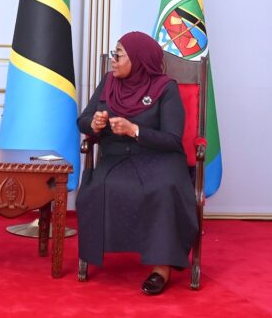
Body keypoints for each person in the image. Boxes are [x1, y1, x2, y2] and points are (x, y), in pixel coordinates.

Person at [75, 31, 198, 295]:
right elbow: (83, 120)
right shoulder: (108, 82)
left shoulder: (166, 88)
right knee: (96, 189)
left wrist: (134, 130)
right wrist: (93, 124)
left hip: (160, 159)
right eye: (113, 54)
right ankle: (94, 254)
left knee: (163, 190)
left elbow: (173, 140)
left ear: (139, 60)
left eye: (119, 55)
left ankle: (161, 269)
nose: (114, 61)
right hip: (117, 158)